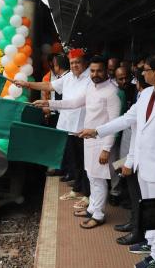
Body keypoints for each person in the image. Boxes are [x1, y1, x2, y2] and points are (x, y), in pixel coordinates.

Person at [79, 54, 155, 268]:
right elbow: (128, 119)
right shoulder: (146, 93)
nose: (141, 73)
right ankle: (153, 245)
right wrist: (97, 131)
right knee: (149, 208)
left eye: (145, 69)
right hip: (144, 163)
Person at [33, 55, 121, 228]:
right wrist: (48, 103)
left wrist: (106, 149)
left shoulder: (112, 92)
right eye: (93, 71)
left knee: (99, 179)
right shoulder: (92, 88)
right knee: (92, 176)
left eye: (99, 71)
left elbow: (114, 124)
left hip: (101, 142)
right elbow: (73, 103)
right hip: (88, 139)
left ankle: (99, 214)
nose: (95, 74)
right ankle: (92, 208)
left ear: (106, 71)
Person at [14, 48, 91, 208]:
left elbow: (75, 103)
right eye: (72, 63)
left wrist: (49, 103)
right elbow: (49, 85)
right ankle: (77, 189)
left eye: (77, 62)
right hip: (68, 125)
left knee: (86, 163)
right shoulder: (69, 76)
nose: (75, 65)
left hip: (84, 126)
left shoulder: (90, 79)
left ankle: (88, 194)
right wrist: (27, 84)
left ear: (84, 63)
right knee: (74, 160)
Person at [115, 68, 150, 246]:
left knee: (141, 197)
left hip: (140, 157)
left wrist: (96, 131)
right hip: (130, 152)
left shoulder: (148, 98)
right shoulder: (142, 97)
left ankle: (139, 232)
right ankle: (134, 223)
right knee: (134, 193)